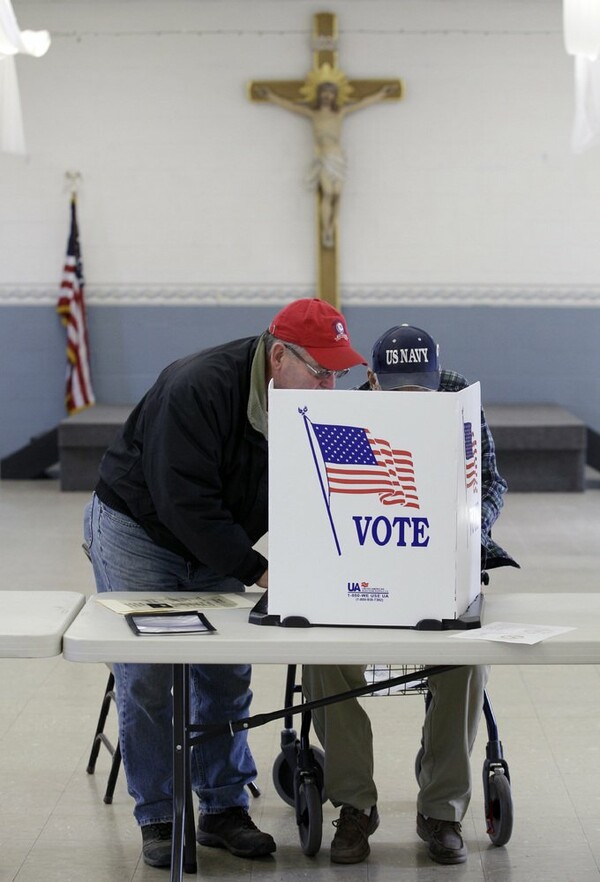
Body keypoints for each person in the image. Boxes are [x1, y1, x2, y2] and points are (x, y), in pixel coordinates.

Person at [83, 298, 366, 868]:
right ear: (279, 356)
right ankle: (160, 816)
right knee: (146, 675)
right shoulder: (199, 387)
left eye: (339, 373)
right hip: (141, 531)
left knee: (225, 670)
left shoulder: (305, 403)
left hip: (219, 534)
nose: (330, 386)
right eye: (321, 371)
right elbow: (184, 502)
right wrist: (259, 570)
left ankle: (222, 808)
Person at [302, 324, 519, 866]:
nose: (412, 398)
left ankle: (441, 809)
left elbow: (490, 481)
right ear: (372, 380)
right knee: (322, 658)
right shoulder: (347, 417)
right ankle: (354, 804)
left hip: (439, 568)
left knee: (466, 663)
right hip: (366, 570)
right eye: (397, 388)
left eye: (419, 386)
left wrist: (472, 526)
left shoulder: (457, 399)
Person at [255, 66, 398, 248]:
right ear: (319, 94)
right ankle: (326, 230)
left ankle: (331, 226)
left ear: (335, 95)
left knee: (337, 195)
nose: (327, 96)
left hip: (338, 158)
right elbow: (290, 105)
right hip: (324, 158)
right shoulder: (313, 113)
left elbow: (362, 103)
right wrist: (270, 96)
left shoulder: (340, 112)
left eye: (331, 93)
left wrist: (381, 94)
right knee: (328, 193)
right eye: (324, 93)